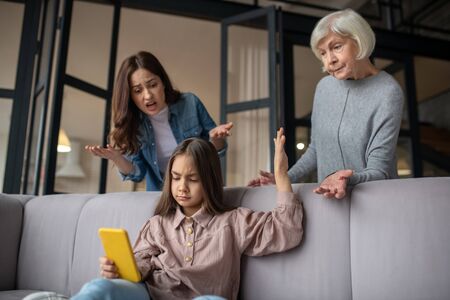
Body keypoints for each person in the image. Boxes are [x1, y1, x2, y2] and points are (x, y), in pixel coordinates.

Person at [52, 130, 301, 300]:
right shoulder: (158, 224)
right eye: (175, 178)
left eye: (192, 179)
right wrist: (121, 269)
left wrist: (281, 176)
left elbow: (286, 231)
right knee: (99, 288)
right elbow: (141, 265)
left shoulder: (233, 221)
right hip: (151, 295)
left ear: (210, 182)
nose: (182, 187)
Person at [248, 8, 404, 199]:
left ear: (359, 41)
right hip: (330, 201)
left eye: (337, 47)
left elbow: (380, 169)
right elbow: (316, 150)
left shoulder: (387, 91)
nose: (330, 60)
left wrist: (346, 179)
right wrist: (282, 178)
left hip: (374, 201)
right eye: (323, 53)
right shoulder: (324, 88)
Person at [85, 51, 233, 191]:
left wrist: (215, 139)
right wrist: (117, 158)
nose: (148, 95)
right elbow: (137, 174)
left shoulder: (190, 103)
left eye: (152, 85)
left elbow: (216, 153)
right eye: (138, 91)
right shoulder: (133, 124)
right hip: (162, 197)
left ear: (163, 82)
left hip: (202, 190)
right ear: (129, 96)